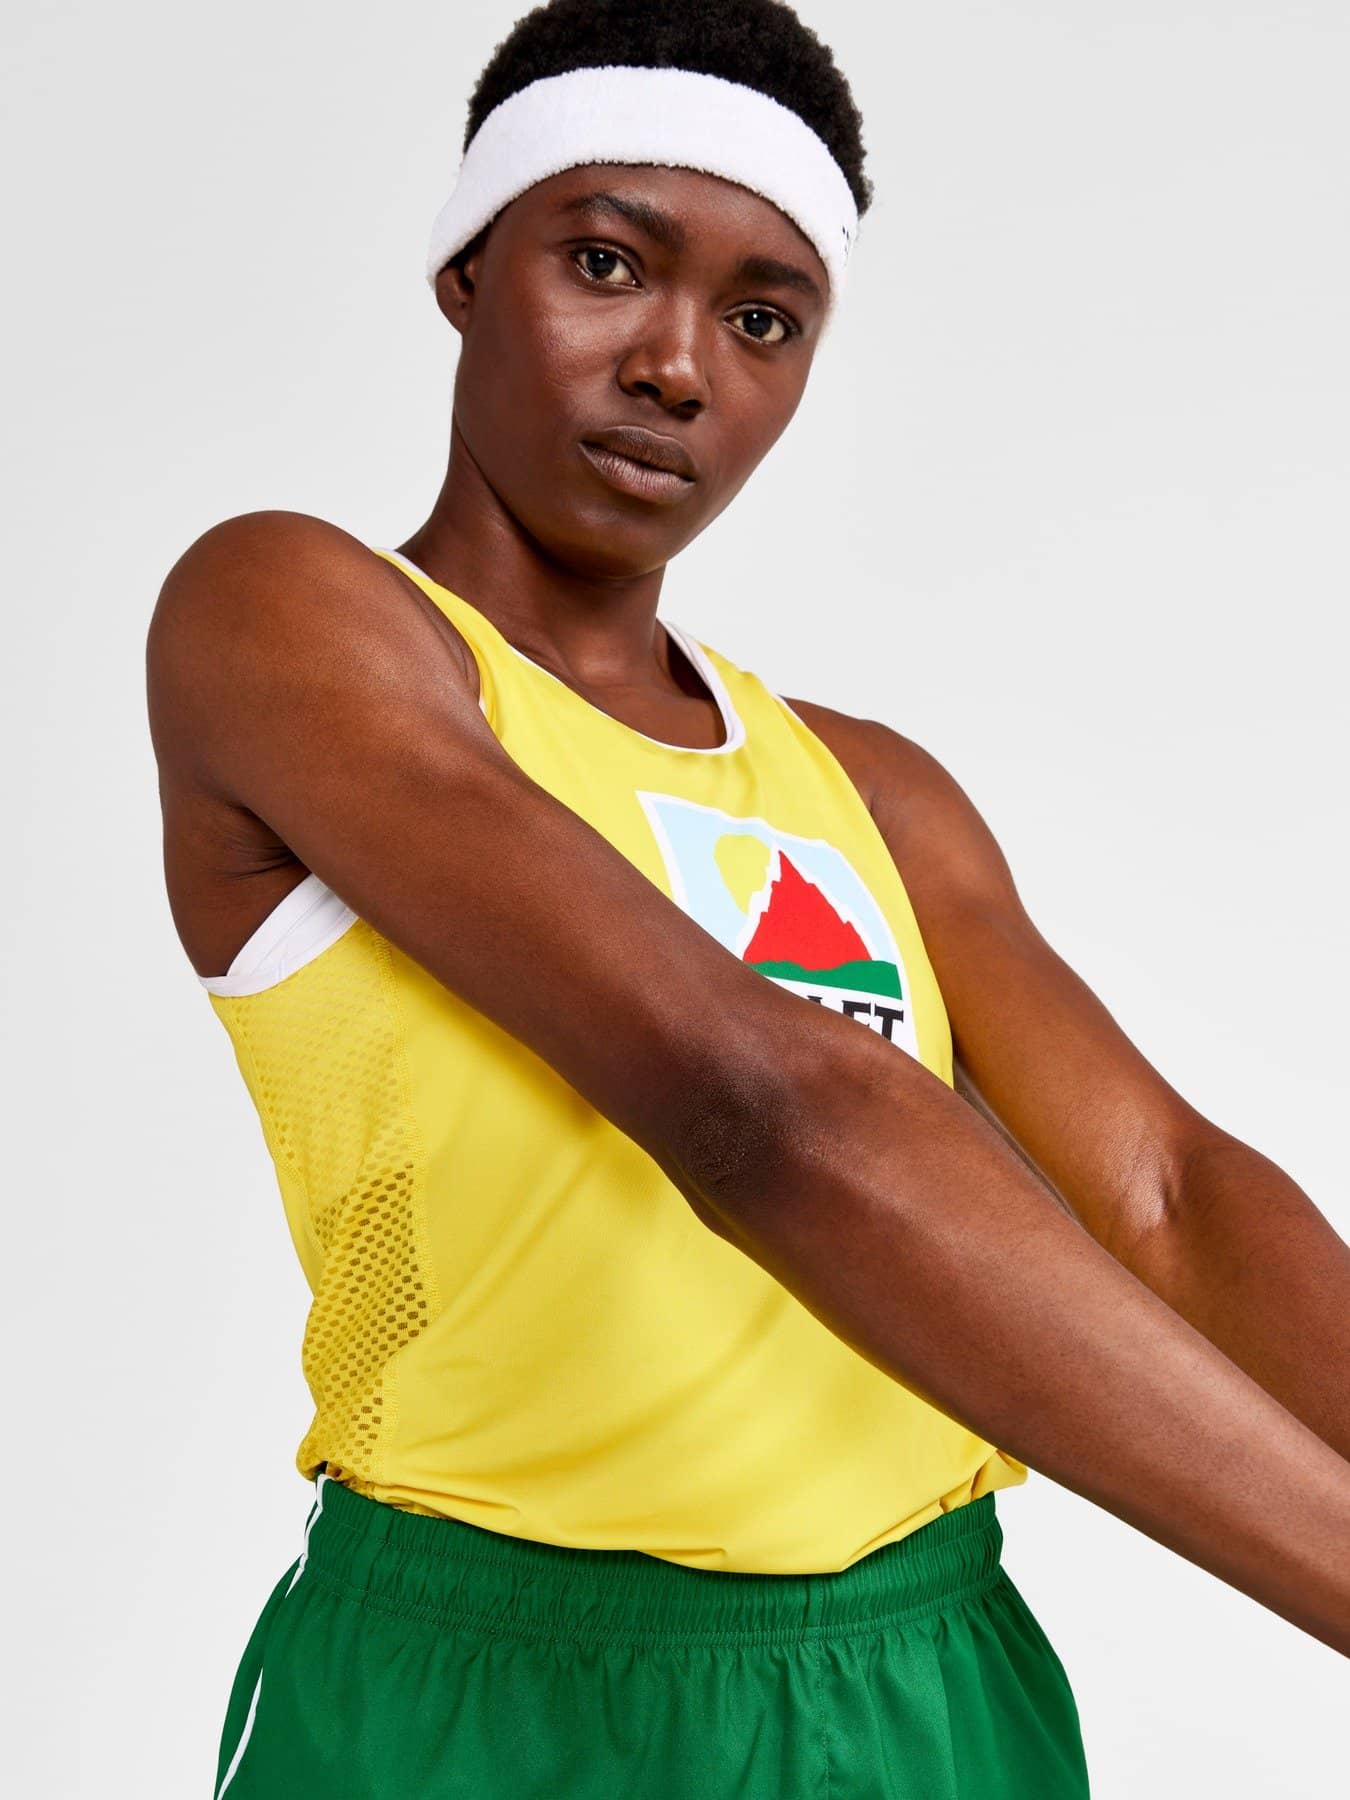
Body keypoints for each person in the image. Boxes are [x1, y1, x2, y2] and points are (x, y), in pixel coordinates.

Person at [145, 1, 1350, 1794]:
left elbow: (1161, 1196)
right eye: (605, 262)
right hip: (490, 1687)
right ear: (466, 271)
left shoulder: (869, 787)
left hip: (915, 1678)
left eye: (762, 319)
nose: (676, 366)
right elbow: (759, 1106)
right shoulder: (296, 622)